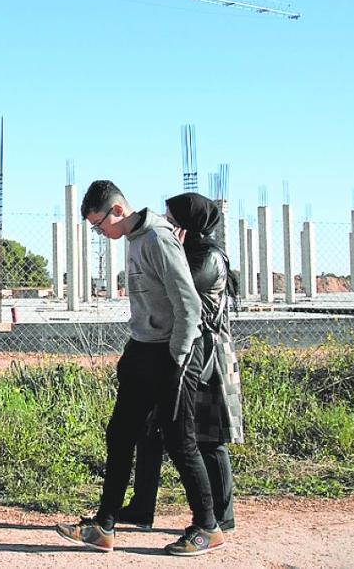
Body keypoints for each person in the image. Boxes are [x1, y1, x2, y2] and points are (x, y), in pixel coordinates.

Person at [56, 180, 225, 556]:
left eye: (99, 224)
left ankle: (208, 526)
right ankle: (104, 526)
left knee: (180, 440)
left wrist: (177, 358)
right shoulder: (133, 240)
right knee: (120, 434)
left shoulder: (157, 239)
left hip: (174, 352)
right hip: (143, 348)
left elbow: (189, 306)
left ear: (118, 211)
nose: (99, 233)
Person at [117, 192, 243, 533]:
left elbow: (186, 290)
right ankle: (141, 507)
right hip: (179, 347)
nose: (168, 224)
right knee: (150, 429)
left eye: (173, 219)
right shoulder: (183, 250)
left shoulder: (208, 256)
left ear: (189, 222)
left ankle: (221, 515)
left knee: (207, 438)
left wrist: (173, 251)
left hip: (207, 354)